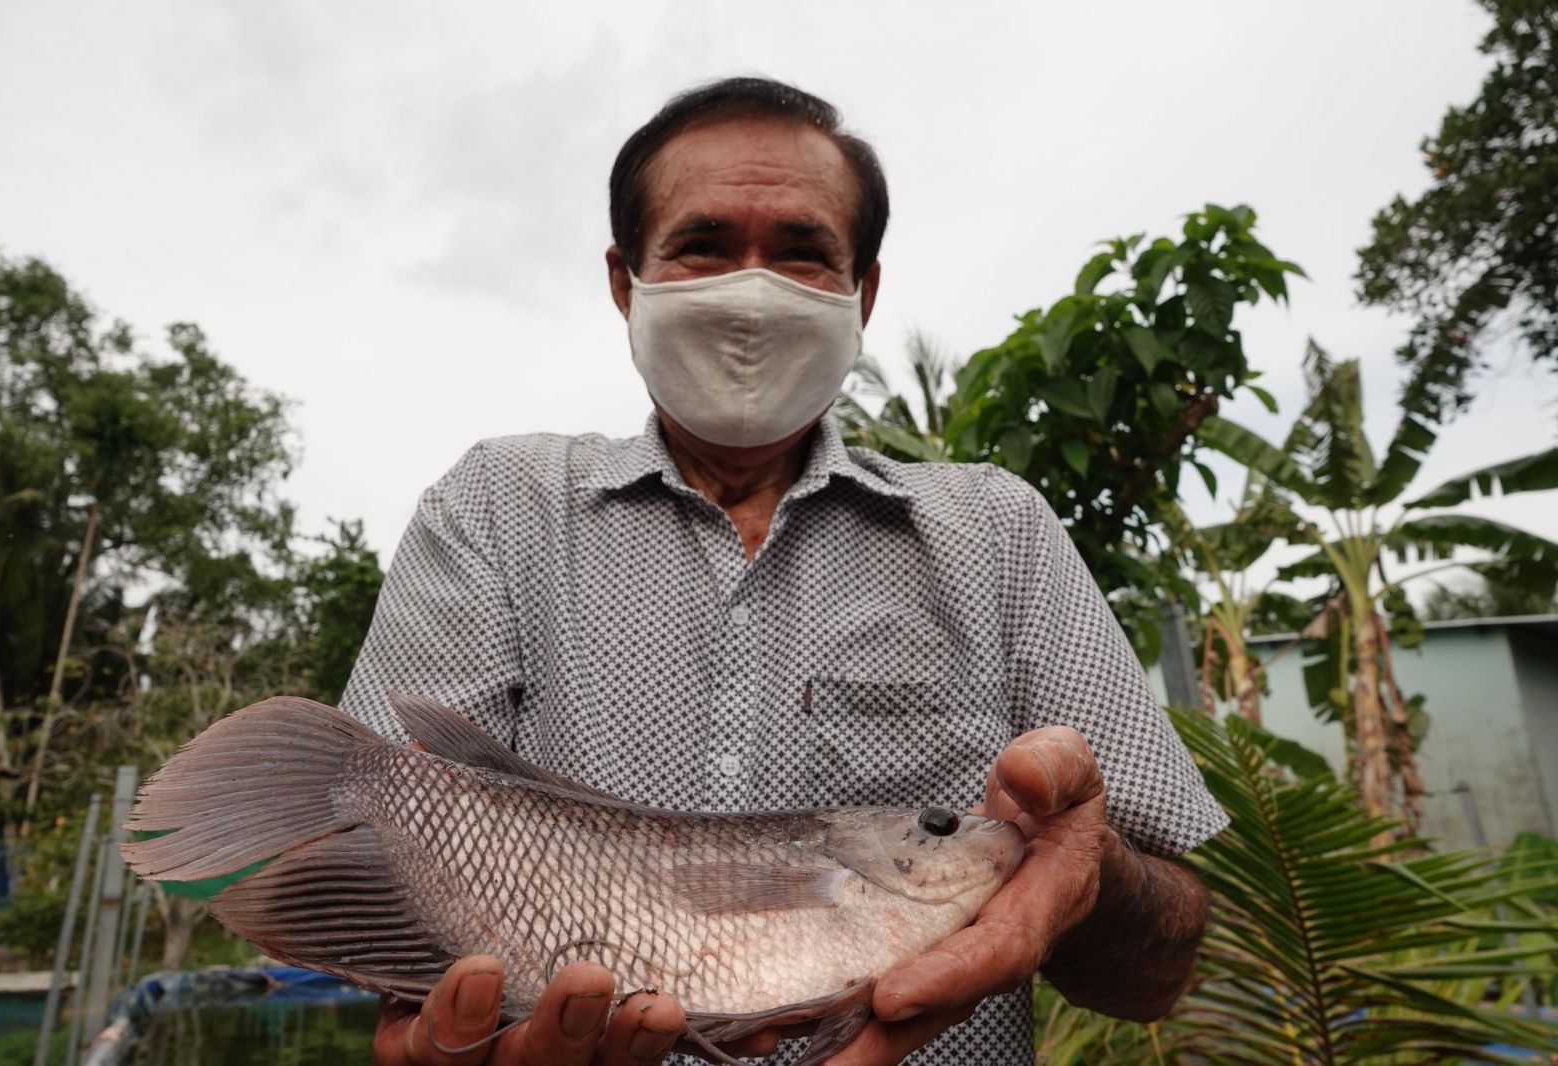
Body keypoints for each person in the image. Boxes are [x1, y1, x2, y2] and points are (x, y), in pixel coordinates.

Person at [340, 76, 1227, 1066]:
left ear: (864, 292)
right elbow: (371, 869)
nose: (752, 289)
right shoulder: (496, 507)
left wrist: (1086, 872)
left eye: (802, 253)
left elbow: (1160, 967)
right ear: (625, 280)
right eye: (705, 245)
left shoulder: (998, 532)